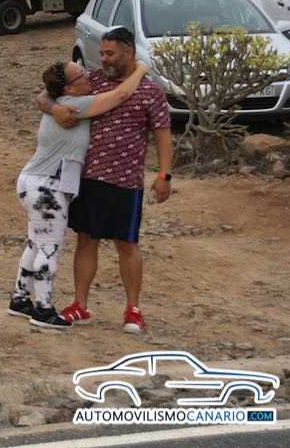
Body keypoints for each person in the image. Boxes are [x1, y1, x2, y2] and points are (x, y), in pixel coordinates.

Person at [41, 27, 173, 333]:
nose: (104, 59)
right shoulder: (93, 81)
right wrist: (55, 108)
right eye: (102, 53)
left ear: (128, 51)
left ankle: (133, 310)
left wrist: (164, 175)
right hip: (87, 178)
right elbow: (44, 92)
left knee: (127, 244)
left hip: (126, 182)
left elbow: (163, 136)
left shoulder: (151, 92)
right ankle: (80, 304)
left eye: (110, 53)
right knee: (86, 240)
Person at [9, 59, 149, 329]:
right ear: (69, 89)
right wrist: (142, 69)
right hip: (48, 187)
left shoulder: (63, 101)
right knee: (49, 247)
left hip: (35, 182)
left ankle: (20, 298)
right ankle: (43, 309)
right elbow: (121, 94)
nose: (88, 77)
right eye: (81, 76)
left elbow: (44, 95)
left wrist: (52, 104)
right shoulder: (77, 105)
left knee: (36, 243)